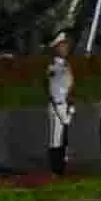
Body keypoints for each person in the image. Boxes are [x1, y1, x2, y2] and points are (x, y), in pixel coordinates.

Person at [44, 35, 74, 177]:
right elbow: (54, 89)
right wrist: (62, 109)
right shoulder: (54, 67)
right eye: (62, 46)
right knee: (56, 139)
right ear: (56, 48)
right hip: (58, 106)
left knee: (63, 140)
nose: (65, 48)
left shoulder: (65, 65)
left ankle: (61, 167)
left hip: (65, 105)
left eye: (66, 45)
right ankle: (55, 170)